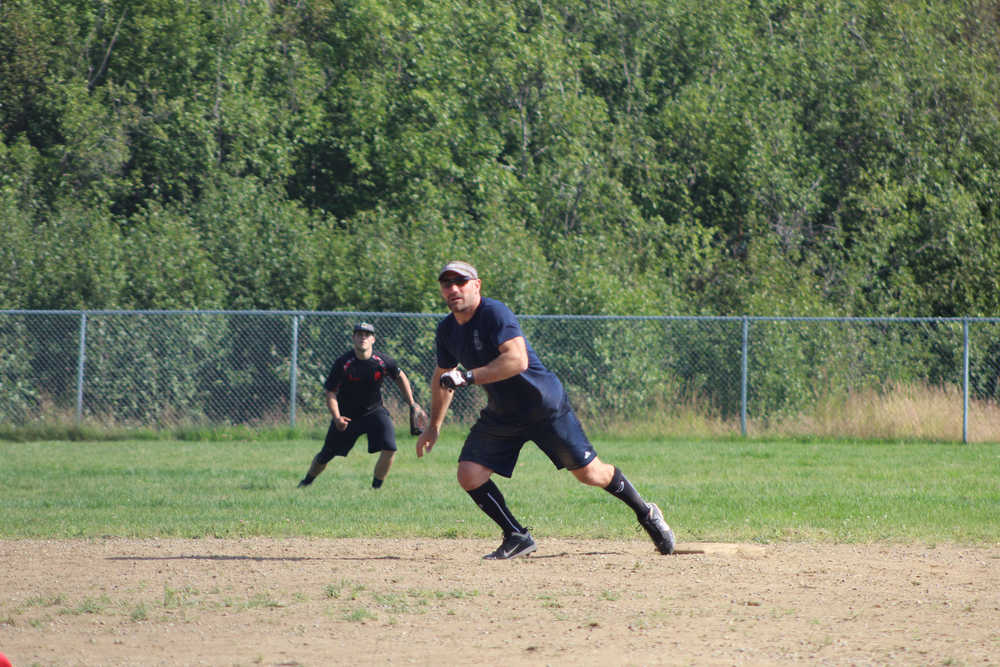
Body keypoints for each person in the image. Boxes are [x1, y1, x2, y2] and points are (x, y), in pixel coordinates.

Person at [416, 261, 676, 559]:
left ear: (477, 285)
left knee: (590, 474)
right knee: (469, 473)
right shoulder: (447, 330)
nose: (453, 289)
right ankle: (516, 536)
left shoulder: (493, 313)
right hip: (503, 412)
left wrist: (469, 376)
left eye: (460, 281)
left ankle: (646, 512)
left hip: (542, 405)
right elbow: (442, 375)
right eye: (446, 283)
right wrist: (434, 425)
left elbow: (517, 360)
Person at [299, 322, 427, 490]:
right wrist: (337, 417)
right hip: (346, 415)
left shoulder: (382, 361)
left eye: (367, 335)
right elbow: (330, 392)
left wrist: (412, 403)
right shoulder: (343, 363)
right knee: (325, 455)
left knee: (390, 448)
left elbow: (400, 376)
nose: (363, 338)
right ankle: (306, 482)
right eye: (359, 334)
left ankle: (376, 489)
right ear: (353, 338)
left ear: (373, 339)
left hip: (374, 411)